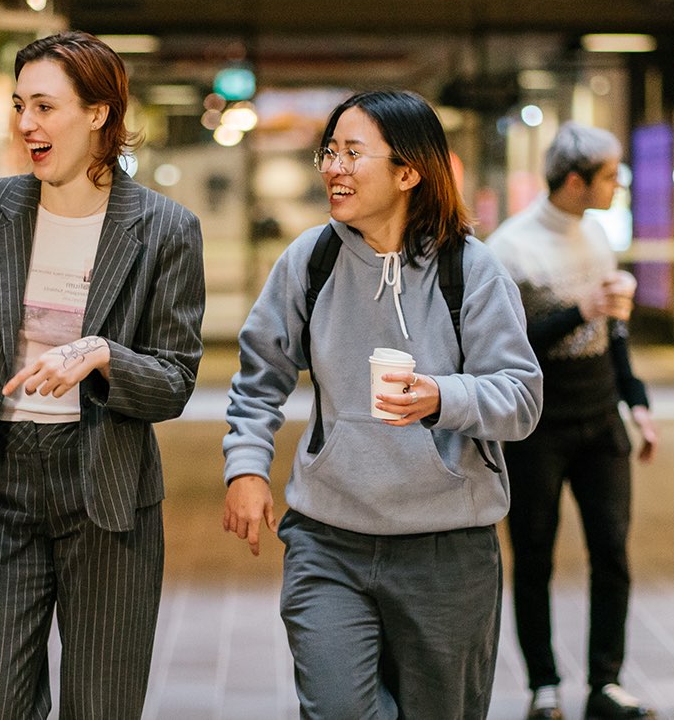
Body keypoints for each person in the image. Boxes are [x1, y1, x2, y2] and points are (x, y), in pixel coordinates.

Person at [0, 31, 205, 719]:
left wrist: (104, 356)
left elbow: (176, 379)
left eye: (45, 106)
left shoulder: (164, 229)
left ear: (99, 113)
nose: (26, 125)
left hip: (107, 488)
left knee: (102, 703)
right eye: (19, 106)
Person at [222, 89, 543, 717]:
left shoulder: (471, 271)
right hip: (327, 537)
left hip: (447, 548)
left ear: (407, 171)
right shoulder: (310, 261)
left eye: (352, 153)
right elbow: (260, 376)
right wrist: (246, 465)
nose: (333, 167)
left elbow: (522, 398)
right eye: (329, 151)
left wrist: (441, 396)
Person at [488, 121, 660, 720]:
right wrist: (577, 310)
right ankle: (544, 686)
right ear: (577, 180)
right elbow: (504, 345)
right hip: (538, 421)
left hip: (600, 414)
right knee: (534, 555)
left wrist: (636, 400)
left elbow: (611, 329)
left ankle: (605, 684)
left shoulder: (597, 234)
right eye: (611, 175)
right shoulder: (512, 246)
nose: (620, 184)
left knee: (612, 549)